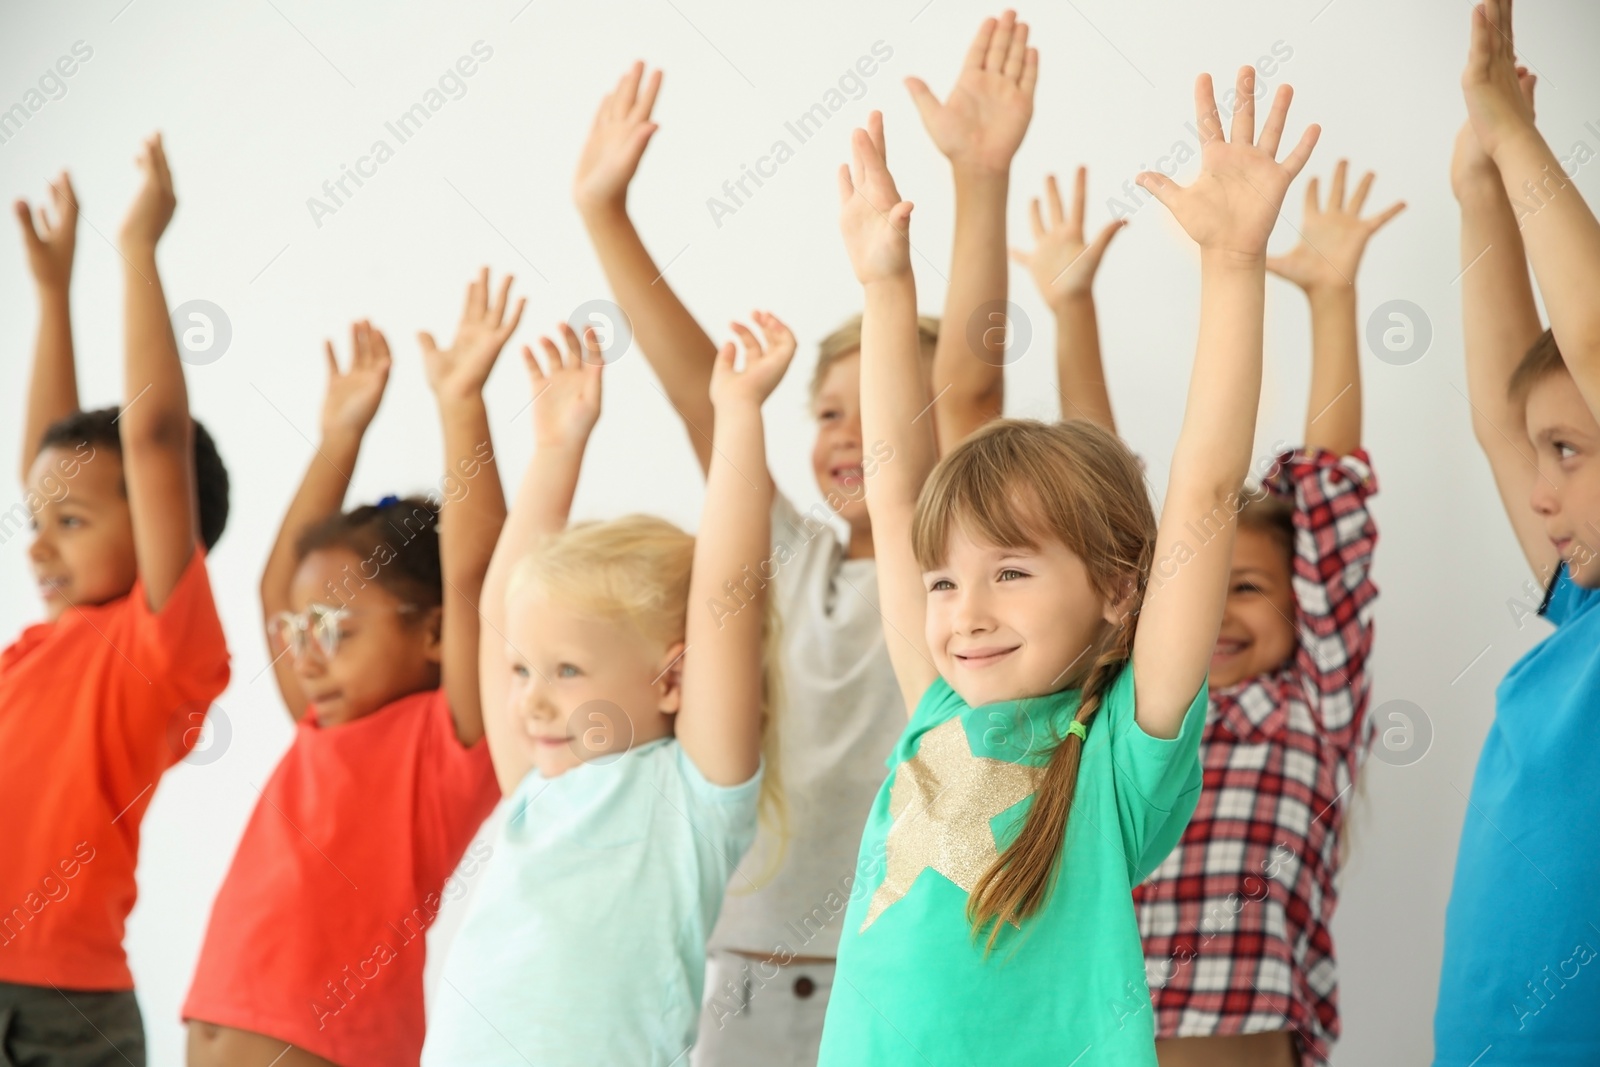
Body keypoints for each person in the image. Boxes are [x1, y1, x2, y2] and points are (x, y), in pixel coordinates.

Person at [819, 65, 1319, 1064]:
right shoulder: (935, 711)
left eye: (1009, 571)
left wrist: (1232, 267)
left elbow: (1208, 484)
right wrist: (882, 284)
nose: (964, 610)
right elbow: (892, 485)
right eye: (944, 580)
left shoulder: (1117, 755)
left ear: (1116, 590)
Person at [421, 316, 788, 1064]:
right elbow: (499, 615)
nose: (531, 700)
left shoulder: (689, 799)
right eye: (524, 671)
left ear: (672, 678)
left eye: (568, 670)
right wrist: (556, 449)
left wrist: (741, 416)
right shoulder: (534, 784)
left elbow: (728, 593)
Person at [183, 272, 516, 1066]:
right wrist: (339, 436)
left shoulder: (452, 741)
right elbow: (276, 588)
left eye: (334, 626)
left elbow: (478, 580)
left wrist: (461, 403)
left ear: (435, 635)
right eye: (301, 630)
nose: (305, 650)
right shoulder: (323, 715)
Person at [1, 137, 231, 1066]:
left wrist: (137, 253)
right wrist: (53, 297)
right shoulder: (47, 643)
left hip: (64, 1011)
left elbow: (156, 438)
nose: (37, 543)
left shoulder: (154, 649)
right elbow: (48, 461)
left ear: (158, 525)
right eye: (36, 520)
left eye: (71, 522)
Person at [1437, 0, 1600, 1061]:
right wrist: (1477, 193)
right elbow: (1501, 417)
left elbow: (1589, 331)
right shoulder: (1580, 606)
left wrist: (1515, 134)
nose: (1538, 491)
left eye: (1573, 452)